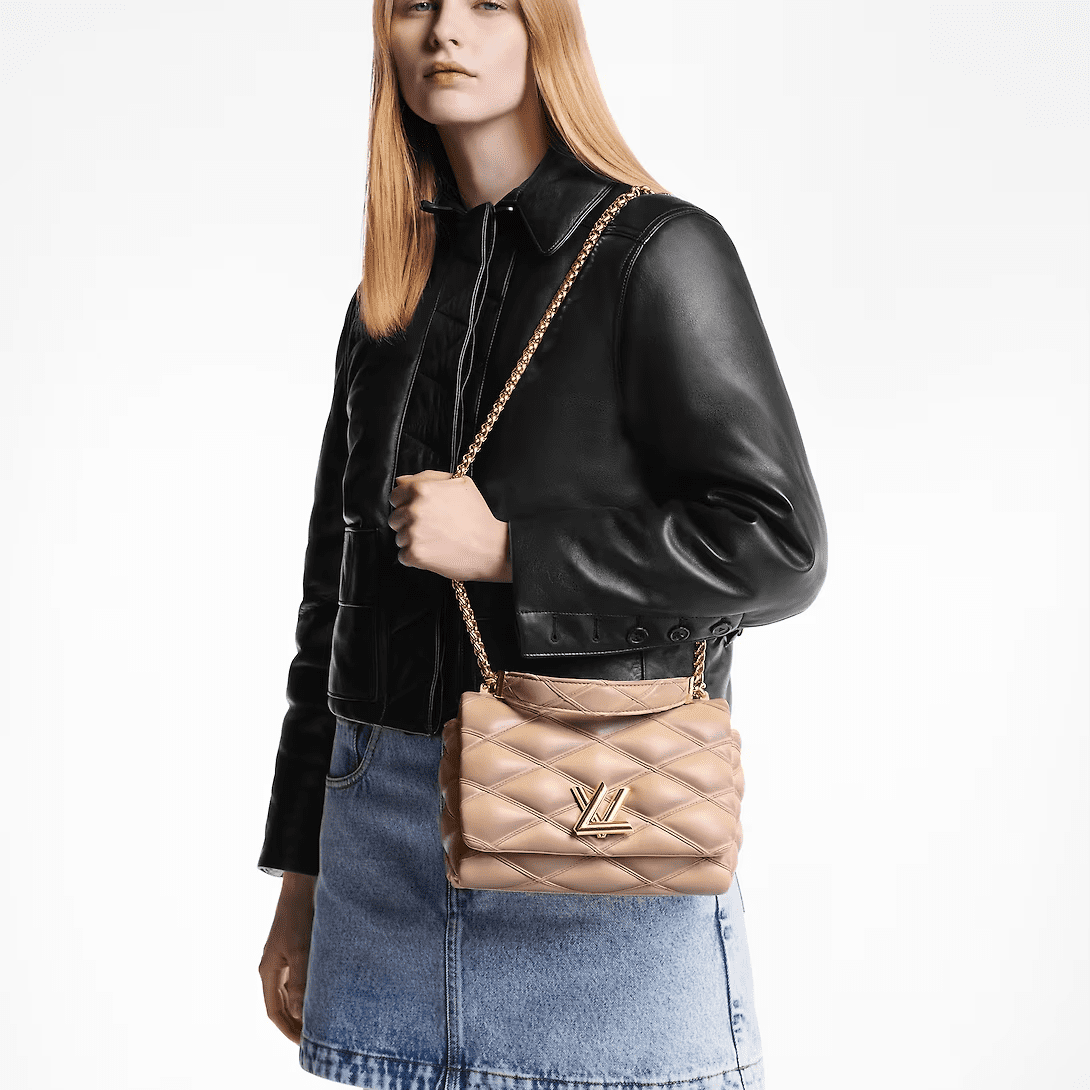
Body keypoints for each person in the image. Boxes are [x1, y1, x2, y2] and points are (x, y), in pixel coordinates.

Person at [258, 1, 828, 1087]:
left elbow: (778, 546)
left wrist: (515, 551)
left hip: (594, 823)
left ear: (544, 32)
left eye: (487, 3)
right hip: (378, 842)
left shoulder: (655, 253)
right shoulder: (389, 296)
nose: (445, 31)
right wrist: (301, 878)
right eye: (416, 4)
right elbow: (331, 604)